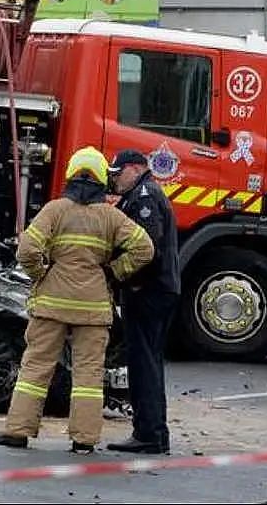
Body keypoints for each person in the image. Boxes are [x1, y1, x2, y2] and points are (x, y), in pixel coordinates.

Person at [0, 146, 154, 454]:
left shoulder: (55, 210)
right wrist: (114, 271)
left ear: (70, 174)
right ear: (101, 179)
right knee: (88, 374)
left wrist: (40, 273)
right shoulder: (110, 215)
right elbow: (144, 248)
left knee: (35, 368)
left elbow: (26, 249)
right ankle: (84, 439)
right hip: (93, 308)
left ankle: (18, 431)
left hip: (51, 303)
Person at [105, 149, 180, 455]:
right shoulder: (145, 192)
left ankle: (148, 433)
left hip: (147, 290)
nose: (115, 179)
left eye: (118, 172)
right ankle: (154, 433)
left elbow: (145, 247)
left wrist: (124, 278)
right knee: (150, 362)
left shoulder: (145, 195)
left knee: (143, 363)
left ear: (135, 169)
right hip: (157, 289)